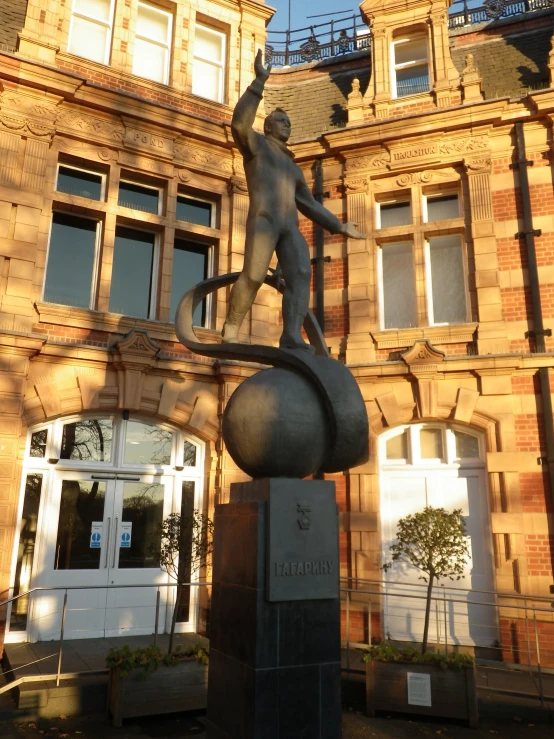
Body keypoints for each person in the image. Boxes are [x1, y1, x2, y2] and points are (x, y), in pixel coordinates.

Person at [222, 49, 365, 351]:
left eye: (289, 121)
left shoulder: (293, 167)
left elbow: (310, 205)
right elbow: (238, 125)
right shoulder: (257, 147)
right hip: (265, 222)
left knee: (301, 273)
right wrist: (259, 83)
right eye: (281, 121)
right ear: (269, 127)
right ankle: (232, 325)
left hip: (290, 228)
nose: (287, 125)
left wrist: (339, 227)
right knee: (254, 274)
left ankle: (291, 334)